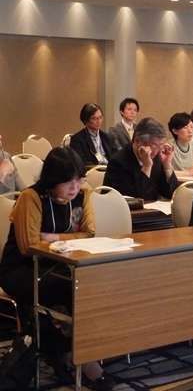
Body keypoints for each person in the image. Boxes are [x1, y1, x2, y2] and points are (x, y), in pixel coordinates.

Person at [0, 147, 115, 390]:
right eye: (67, 183)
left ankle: (65, 352)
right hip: (21, 269)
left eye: (79, 180)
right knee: (66, 290)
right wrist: (67, 240)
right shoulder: (32, 197)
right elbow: (28, 246)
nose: (75, 188)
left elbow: (89, 233)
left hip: (62, 265)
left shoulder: (83, 194)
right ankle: (82, 360)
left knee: (93, 286)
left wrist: (53, 237)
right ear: (51, 181)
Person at [103, 117, 179, 200]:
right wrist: (146, 167)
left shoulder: (157, 158)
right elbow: (137, 198)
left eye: (160, 145)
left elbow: (172, 194)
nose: (157, 151)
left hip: (153, 207)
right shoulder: (118, 162)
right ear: (137, 141)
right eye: (154, 146)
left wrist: (167, 166)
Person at [167, 112, 193, 177]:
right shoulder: (168, 148)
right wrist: (188, 173)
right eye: (185, 127)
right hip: (176, 183)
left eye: (192, 127)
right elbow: (165, 173)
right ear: (175, 131)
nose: (190, 131)